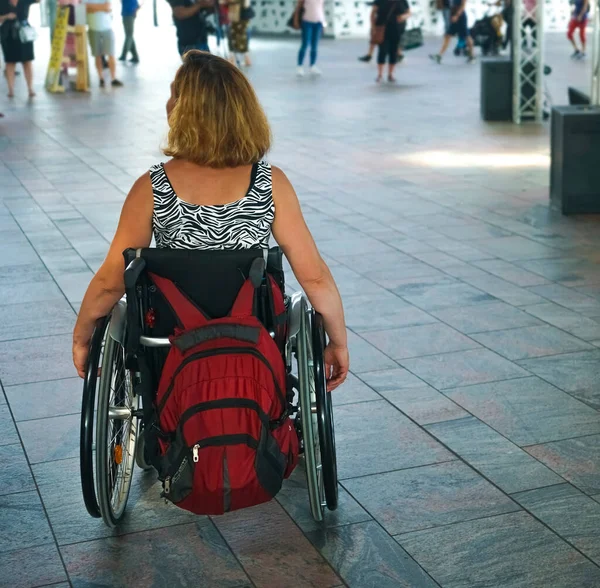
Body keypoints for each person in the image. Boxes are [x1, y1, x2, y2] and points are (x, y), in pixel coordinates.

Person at [72, 51, 349, 393]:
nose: (167, 101)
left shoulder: (152, 187)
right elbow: (315, 277)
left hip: (170, 339)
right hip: (253, 337)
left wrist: (83, 337)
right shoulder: (269, 182)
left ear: (187, 111)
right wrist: (338, 342)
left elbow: (110, 283)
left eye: (175, 93)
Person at [0, 0, 38, 98]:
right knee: (10, 62)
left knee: (27, 61)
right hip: (8, 34)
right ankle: (11, 89)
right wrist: (6, 16)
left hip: (24, 33)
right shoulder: (2, 2)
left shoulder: (25, 1)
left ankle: (30, 88)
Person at [86, 0, 123, 87]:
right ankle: (101, 78)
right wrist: (101, 8)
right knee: (97, 55)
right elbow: (85, 8)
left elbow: (107, 7)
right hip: (93, 29)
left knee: (111, 53)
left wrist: (93, 8)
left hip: (107, 28)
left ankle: (113, 78)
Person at [371, 0, 410, 83]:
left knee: (394, 51)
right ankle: (380, 74)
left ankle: (390, 74)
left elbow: (409, 13)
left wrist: (403, 17)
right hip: (382, 29)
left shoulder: (402, 1)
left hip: (397, 29)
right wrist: (373, 27)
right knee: (382, 50)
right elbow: (373, 13)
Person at [294, 0, 325, 76]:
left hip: (318, 23)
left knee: (314, 45)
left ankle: (312, 66)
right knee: (305, 44)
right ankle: (299, 66)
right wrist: (296, 20)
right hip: (307, 22)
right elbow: (298, 8)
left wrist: (324, 23)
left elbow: (321, 8)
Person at [227, 0, 251, 67]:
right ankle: (235, 58)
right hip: (238, 15)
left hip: (239, 15)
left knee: (235, 36)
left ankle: (233, 59)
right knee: (238, 36)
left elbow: (246, 5)